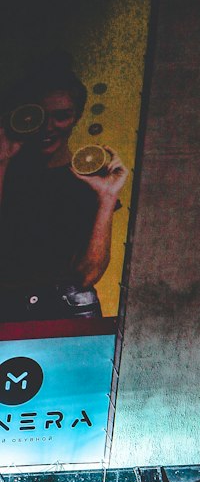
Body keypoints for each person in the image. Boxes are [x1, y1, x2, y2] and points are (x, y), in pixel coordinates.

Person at [0, 57, 129, 322]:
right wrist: (2, 161)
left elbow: (87, 274)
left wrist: (106, 197)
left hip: (67, 312)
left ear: (77, 117)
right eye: (40, 116)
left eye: (61, 116)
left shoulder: (91, 181)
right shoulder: (8, 171)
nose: (48, 127)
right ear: (26, 116)